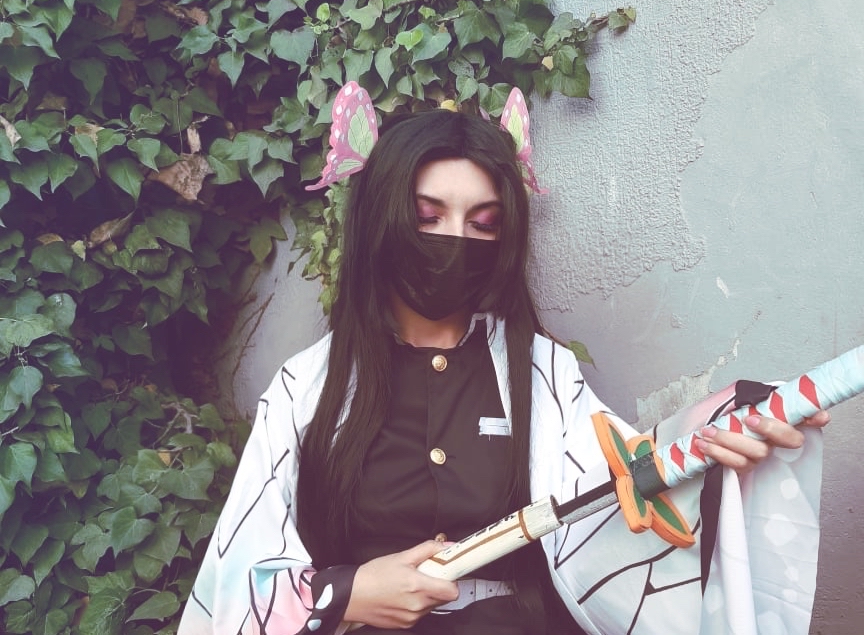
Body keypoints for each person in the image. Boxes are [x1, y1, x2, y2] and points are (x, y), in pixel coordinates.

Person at [177, 86, 829, 635]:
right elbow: (238, 574)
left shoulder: (544, 375)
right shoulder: (308, 386)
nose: (454, 240)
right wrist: (343, 594)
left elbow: (620, 494)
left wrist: (718, 435)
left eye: (482, 224)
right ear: (381, 222)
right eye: (428, 216)